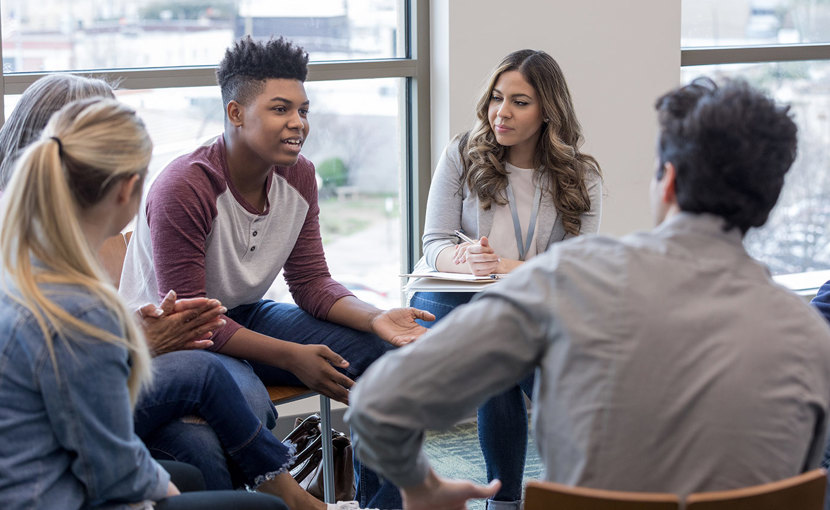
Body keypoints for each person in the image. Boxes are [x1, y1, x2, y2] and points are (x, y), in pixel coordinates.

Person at [347, 77, 830, 509]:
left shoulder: (568, 280)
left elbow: (377, 407)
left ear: (669, 182)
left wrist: (423, 487)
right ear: (766, 206)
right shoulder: (812, 338)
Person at [118, 36, 433, 508]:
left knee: (385, 358)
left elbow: (310, 282)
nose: (298, 124)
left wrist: (375, 318)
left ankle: (383, 504)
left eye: (303, 110)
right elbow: (194, 322)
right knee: (246, 405)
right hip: (175, 339)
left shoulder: (299, 176)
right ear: (236, 112)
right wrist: (291, 355)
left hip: (245, 314)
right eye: (281, 109)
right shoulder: (184, 187)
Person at [0, 97, 292, 510]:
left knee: (196, 445)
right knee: (260, 505)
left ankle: (283, 493)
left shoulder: (29, 261)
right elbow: (109, 468)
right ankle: (285, 497)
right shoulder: (80, 305)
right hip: (52, 493)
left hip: (39, 467)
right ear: (128, 189)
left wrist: (126, 335)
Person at [408, 48, 601, 510]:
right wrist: (465, 258)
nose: (502, 112)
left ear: (548, 110)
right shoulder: (461, 153)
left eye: (519, 101)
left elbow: (573, 269)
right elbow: (432, 244)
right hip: (451, 297)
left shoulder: (581, 175)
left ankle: (506, 500)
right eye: (497, 98)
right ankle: (557, 486)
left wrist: (508, 270)